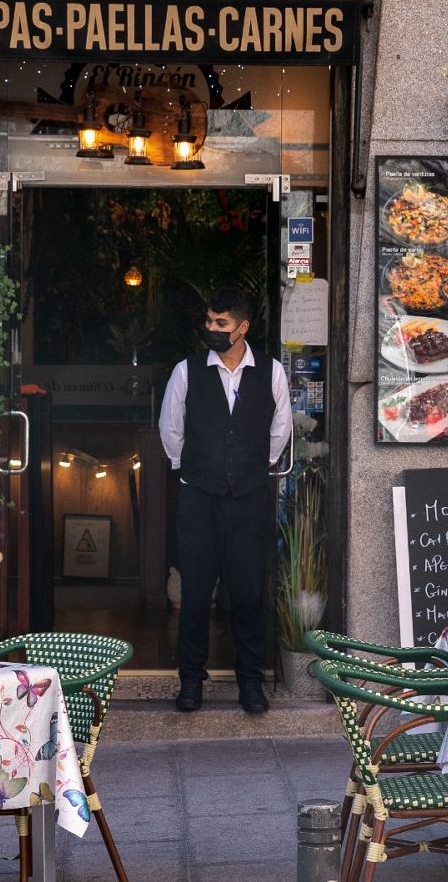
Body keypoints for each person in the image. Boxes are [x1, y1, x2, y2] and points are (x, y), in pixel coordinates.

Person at [158, 289, 291, 713]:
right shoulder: (187, 370)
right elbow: (170, 427)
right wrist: (191, 468)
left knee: (249, 593)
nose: (211, 330)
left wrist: (256, 465)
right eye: (209, 322)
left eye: (221, 324)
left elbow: (281, 427)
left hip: (249, 500)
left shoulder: (270, 372)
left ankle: (251, 683)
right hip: (199, 498)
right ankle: (191, 681)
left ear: (243, 328)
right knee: (195, 594)